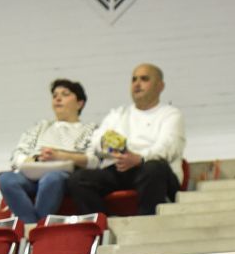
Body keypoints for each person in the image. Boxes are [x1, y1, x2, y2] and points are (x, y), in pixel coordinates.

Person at [69, 63, 185, 217]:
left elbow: (169, 147)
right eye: (134, 79)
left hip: (152, 169)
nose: (137, 84)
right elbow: (97, 141)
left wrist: (139, 158)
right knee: (78, 179)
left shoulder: (170, 114)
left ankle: (147, 222)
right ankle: (105, 225)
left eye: (144, 79)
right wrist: (117, 150)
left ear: (160, 86)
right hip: (119, 167)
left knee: (153, 168)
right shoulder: (118, 114)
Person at [0, 77, 95, 224]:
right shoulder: (40, 127)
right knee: (6, 179)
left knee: (51, 178)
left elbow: (93, 160)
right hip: (30, 174)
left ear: (80, 103)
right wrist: (35, 159)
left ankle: (33, 229)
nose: (58, 98)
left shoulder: (90, 129)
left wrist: (59, 156)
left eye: (65, 94)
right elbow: (17, 154)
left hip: (61, 174)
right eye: (55, 95)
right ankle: (34, 227)